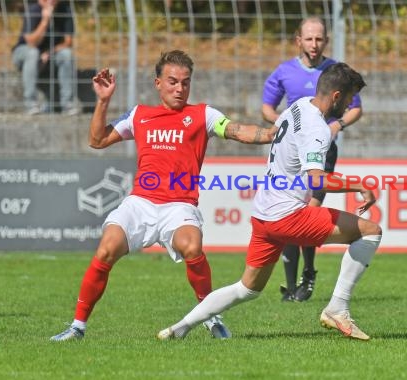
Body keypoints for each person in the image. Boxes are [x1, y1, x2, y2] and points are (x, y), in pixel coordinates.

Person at [50, 50, 277, 341]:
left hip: (179, 205)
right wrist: (103, 101)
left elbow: (236, 130)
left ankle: (210, 316)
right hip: (140, 203)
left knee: (192, 246)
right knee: (106, 249)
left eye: (185, 83)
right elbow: (97, 140)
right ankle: (77, 327)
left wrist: (271, 133)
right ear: (158, 83)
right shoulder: (139, 115)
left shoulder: (202, 115)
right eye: (172, 82)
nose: (179, 89)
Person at [157, 62, 382, 341]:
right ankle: (337, 309)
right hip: (287, 215)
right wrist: (360, 185)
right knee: (371, 232)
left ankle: (178, 329)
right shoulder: (317, 128)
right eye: (348, 99)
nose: (349, 106)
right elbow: (316, 180)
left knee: (247, 288)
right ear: (336, 96)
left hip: (264, 214)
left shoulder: (298, 106)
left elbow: (278, 135)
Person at [262, 16, 363, 302]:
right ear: (299, 41)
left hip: (323, 151)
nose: (314, 44)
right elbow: (267, 108)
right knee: (294, 210)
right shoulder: (284, 72)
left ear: (325, 41)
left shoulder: (336, 73)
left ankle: (307, 275)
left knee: (309, 209)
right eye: (309, 38)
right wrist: (284, 125)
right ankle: (293, 285)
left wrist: (337, 125)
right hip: (294, 153)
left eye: (319, 39)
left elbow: (356, 109)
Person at [12, 0, 79, 115]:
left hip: (50, 55)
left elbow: (68, 42)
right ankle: (31, 104)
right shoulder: (33, 10)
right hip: (24, 52)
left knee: (66, 54)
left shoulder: (65, 10)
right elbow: (31, 42)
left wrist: (49, 52)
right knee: (32, 53)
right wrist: (45, 21)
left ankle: (67, 104)